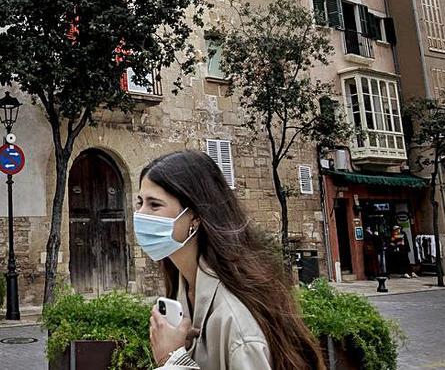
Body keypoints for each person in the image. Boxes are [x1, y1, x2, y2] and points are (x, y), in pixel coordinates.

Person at [137, 150, 323, 370]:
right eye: (139, 203)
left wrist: (171, 361)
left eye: (154, 205)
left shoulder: (238, 326)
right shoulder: (184, 288)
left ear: (195, 216)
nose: (140, 214)